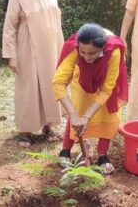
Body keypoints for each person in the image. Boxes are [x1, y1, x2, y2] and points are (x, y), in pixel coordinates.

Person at [2, 0, 64, 147]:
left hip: (51, 46)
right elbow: (10, 24)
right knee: (29, 87)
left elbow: (55, 16)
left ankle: (49, 126)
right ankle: (26, 130)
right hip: (27, 45)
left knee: (51, 83)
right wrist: (11, 55)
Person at [53, 23, 128, 175]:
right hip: (82, 80)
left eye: (92, 53)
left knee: (108, 112)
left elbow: (107, 89)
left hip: (105, 82)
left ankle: (102, 155)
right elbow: (58, 82)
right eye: (83, 52)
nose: (87, 57)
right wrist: (74, 115)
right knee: (78, 109)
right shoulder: (74, 48)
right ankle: (65, 151)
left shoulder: (113, 51)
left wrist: (87, 117)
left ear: (102, 48)